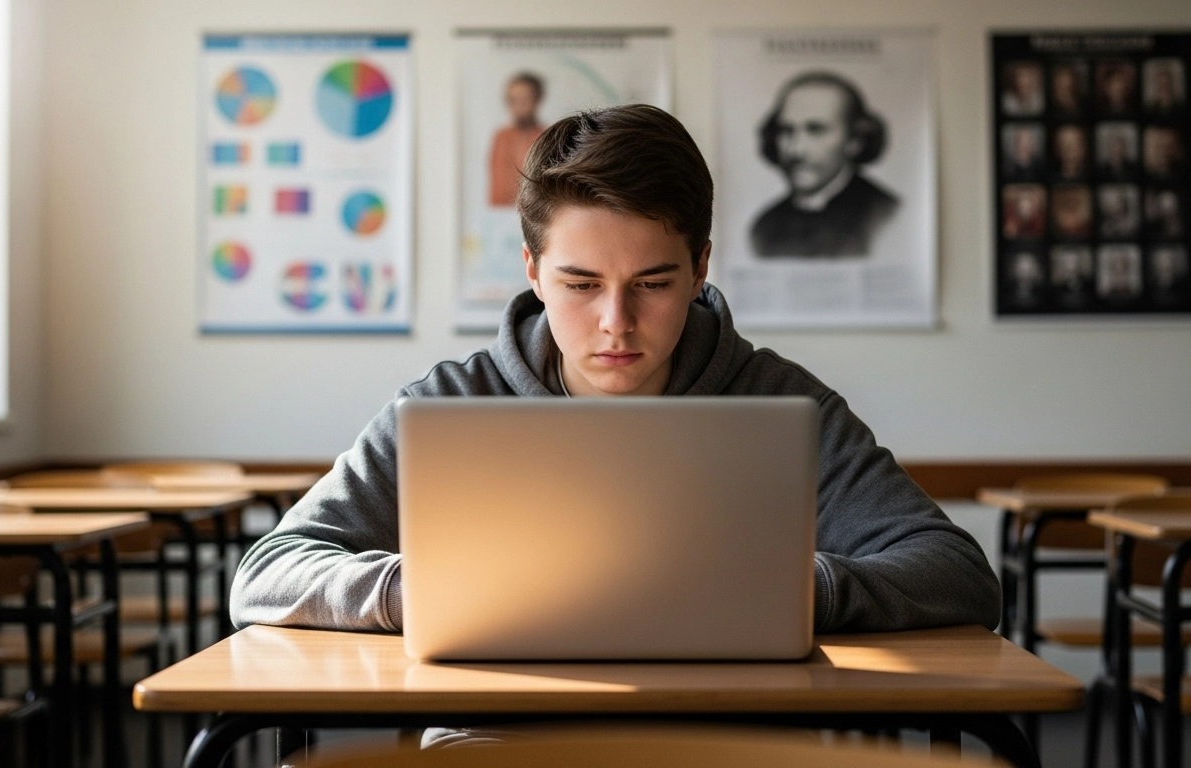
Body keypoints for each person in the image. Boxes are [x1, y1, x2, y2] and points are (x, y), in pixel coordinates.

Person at [232, 104, 1000, 645]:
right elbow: (266, 572)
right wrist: (434, 590)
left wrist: (798, 591)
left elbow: (959, 574)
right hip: (498, 733)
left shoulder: (782, 401)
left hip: (735, 733)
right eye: (580, 284)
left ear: (701, 266)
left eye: (655, 283)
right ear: (532, 270)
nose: (616, 321)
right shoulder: (451, 403)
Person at [749, 72, 899, 257]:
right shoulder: (764, 227)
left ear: (854, 139)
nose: (797, 151)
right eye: (786, 131)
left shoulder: (887, 218)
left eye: (815, 130)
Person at [487, 72, 546, 207]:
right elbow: (496, 183)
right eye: (513, 100)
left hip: (534, 215)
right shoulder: (501, 137)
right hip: (501, 218)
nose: (518, 106)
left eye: (524, 100)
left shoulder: (546, 137)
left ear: (537, 100)